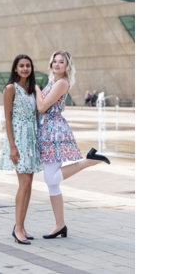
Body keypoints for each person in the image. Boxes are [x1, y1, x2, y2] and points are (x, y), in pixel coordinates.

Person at [35, 51, 110, 239]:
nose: (57, 64)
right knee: (53, 184)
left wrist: (36, 90)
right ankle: (60, 225)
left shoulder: (61, 82)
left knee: (50, 178)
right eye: (55, 61)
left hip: (55, 131)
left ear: (67, 65)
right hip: (50, 129)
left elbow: (42, 107)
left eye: (61, 62)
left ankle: (89, 161)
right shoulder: (54, 81)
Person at [0, 55, 42, 245]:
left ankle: (22, 226)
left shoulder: (31, 90)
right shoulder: (11, 88)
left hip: (31, 140)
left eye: (28, 65)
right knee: (23, 184)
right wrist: (12, 146)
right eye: (21, 66)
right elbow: (7, 118)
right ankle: (17, 228)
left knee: (29, 184)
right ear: (15, 69)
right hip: (18, 139)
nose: (25, 68)